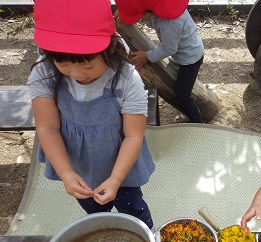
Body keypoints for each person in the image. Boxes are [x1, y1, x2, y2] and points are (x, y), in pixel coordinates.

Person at [27, 0, 155, 229]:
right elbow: (47, 128)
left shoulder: (125, 78)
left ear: (111, 45)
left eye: (87, 66)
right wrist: (66, 173)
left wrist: (116, 179)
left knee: (134, 208)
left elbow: (133, 135)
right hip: (79, 164)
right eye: (63, 64)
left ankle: (146, 239)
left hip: (122, 163)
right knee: (95, 211)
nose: (76, 74)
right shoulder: (44, 72)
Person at [117, 6, 205, 123]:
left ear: (149, 9)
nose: (141, 19)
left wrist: (147, 56)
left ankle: (198, 124)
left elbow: (169, 49)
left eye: (141, 15)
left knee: (183, 96)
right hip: (188, 52)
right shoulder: (165, 7)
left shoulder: (168, 23)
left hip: (190, 59)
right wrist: (126, 11)